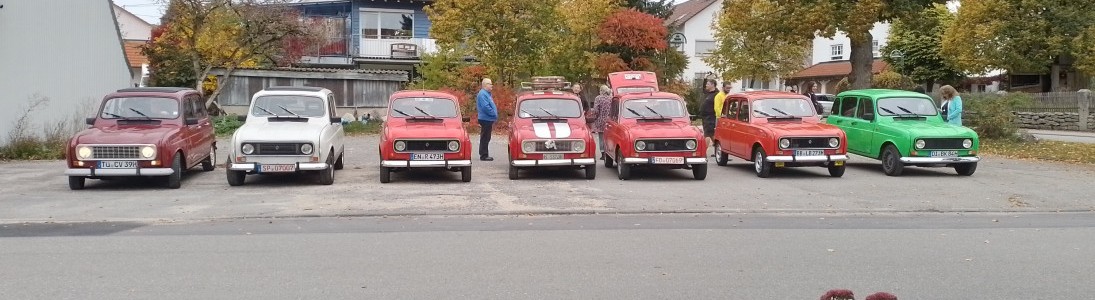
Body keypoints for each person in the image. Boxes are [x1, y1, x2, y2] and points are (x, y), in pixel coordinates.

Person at [476, 78, 497, 161]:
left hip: (488, 118)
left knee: (487, 137)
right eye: (490, 84)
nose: (491, 85)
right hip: (485, 118)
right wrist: (493, 113)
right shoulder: (482, 94)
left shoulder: (487, 94)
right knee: (485, 137)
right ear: (485, 85)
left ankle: (484, 153)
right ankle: (483, 155)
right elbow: (485, 107)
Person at [589, 85, 613, 159]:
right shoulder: (611, 98)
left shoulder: (598, 98)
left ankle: (603, 153)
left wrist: (593, 115)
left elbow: (596, 110)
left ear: (601, 91)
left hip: (600, 120)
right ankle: (609, 152)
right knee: (609, 137)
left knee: (601, 137)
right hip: (610, 120)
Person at [699, 79, 718, 154]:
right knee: (711, 135)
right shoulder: (708, 92)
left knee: (707, 134)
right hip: (705, 117)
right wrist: (705, 79)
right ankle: (720, 150)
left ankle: (703, 152)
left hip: (711, 117)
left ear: (713, 85)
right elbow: (703, 88)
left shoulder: (716, 94)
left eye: (708, 84)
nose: (706, 85)